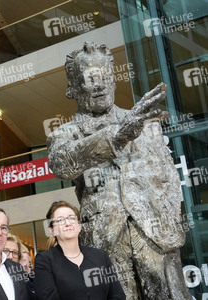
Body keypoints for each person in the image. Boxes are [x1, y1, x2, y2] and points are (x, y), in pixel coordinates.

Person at [46, 42, 191, 299]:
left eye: (105, 77)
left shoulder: (144, 121)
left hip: (157, 236)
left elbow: (168, 177)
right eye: (90, 79)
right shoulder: (65, 134)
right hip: (106, 243)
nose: (100, 85)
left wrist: (171, 223)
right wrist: (117, 136)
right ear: (72, 88)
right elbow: (62, 163)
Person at [35, 201, 125, 300]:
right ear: (52, 230)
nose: (67, 223)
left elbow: (117, 295)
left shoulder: (100, 256)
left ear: (79, 226)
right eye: (60, 220)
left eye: (71, 218)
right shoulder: (45, 261)